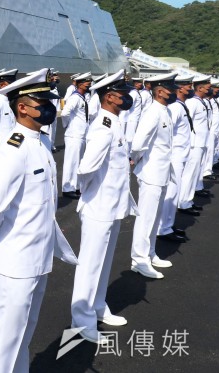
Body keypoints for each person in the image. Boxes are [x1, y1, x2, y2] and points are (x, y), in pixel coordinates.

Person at [0, 68, 78, 373]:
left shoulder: (42, 142)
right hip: (14, 261)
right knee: (4, 344)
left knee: (22, 337)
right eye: (42, 102)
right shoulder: (13, 149)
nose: (49, 107)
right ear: (22, 107)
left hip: (37, 258)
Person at [70, 70, 137, 344]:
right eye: (123, 93)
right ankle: (82, 320)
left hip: (112, 206)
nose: (128, 97)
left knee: (104, 263)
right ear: (110, 96)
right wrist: (91, 194)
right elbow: (85, 169)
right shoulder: (103, 128)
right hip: (99, 207)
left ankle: (98, 307)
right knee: (90, 265)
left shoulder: (116, 122)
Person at [130, 74, 177, 279]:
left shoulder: (163, 110)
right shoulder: (152, 112)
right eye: (170, 89)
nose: (173, 92)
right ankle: (139, 260)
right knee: (146, 218)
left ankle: (149, 253)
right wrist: (137, 160)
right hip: (151, 172)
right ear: (159, 91)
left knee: (155, 217)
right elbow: (139, 144)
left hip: (161, 171)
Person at [156, 76, 193, 243]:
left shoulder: (180, 106)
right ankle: (163, 228)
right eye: (188, 85)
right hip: (175, 156)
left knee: (175, 192)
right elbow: (166, 134)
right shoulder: (176, 108)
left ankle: (168, 225)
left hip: (182, 154)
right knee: (171, 193)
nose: (190, 88)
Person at [177, 77, 211, 213]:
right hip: (194, 144)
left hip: (201, 143)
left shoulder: (200, 102)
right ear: (200, 88)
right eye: (207, 88)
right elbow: (187, 125)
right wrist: (190, 143)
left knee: (195, 173)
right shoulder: (192, 103)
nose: (210, 90)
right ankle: (183, 202)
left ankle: (188, 200)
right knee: (189, 174)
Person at [61, 72, 92, 197]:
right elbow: (64, 113)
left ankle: (77, 186)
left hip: (81, 134)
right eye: (86, 82)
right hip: (74, 134)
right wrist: (68, 126)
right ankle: (67, 188)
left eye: (89, 81)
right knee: (71, 162)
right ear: (79, 84)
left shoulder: (82, 97)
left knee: (78, 162)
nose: (88, 84)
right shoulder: (74, 97)